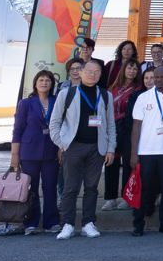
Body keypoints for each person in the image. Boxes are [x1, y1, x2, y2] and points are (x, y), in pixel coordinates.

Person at [49, 59, 116, 240]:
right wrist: (62, 143)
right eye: (89, 71)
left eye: (97, 72)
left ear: (100, 75)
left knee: (91, 188)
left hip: (96, 148)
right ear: (81, 72)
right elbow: (54, 122)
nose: (92, 74)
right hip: (73, 146)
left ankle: (88, 223)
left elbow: (110, 125)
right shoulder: (67, 94)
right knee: (70, 188)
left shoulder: (105, 95)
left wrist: (110, 149)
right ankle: (67, 224)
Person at [129, 64, 163, 236]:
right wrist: (133, 153)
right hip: (146, 151)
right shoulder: (143, 98)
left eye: (162, 77)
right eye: (155, 77)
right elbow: (136, 127)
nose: (158, 80)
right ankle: (138, 225)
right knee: (144, 189)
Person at [12, 71, 62, 234]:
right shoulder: (25, 103)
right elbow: (17, 129)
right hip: (29, 151)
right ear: (35, 83)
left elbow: (62, 126)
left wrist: (61, 148)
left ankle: (51, 222)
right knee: (30, 188)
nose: (44, 82)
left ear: (52, 84)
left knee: (50, 187)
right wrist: (15, 155)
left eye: (48, 80)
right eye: (41, 80)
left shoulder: (56, 101)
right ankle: (30, 222)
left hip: (51, 150)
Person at [104, 58, 143, 210]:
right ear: (123, 70)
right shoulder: (113, 88)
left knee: (128, 163)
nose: (132, 71)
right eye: (129, 68)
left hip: (129, 129)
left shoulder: (139, 89)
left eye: (135, 69)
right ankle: (110, 198)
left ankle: (126, 197)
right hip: (112, 129)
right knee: (110, 162)